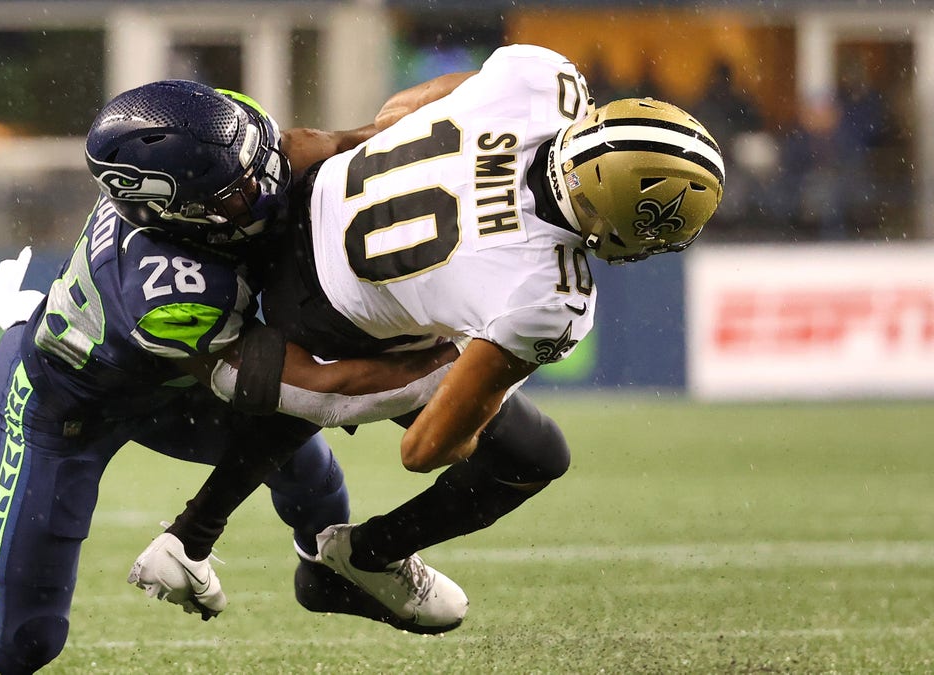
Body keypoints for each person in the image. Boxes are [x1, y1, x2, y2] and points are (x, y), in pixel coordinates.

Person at [0, 80, 469, 674]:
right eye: (237, 194)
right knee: (21, 643)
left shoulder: (227, 145)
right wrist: (457, 360)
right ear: (173, 210)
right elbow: (318, 389)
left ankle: (333, 570)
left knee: (302, 464)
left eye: (257, 167)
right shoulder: (165, 284)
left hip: (167, 383)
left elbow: (356, 140)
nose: (264, 190)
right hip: (65, 407)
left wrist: (480, 108)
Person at [135, 44, 724, 627]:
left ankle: (192, 536)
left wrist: (355, 145)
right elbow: (426, 451)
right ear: (616, 217)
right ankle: (363, 558)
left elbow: (400, 111)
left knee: (396, 333)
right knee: (531, 455)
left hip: (301, 196)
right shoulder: (548, 298)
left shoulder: (544, 80)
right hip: (320, 315)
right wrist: (457, 354)